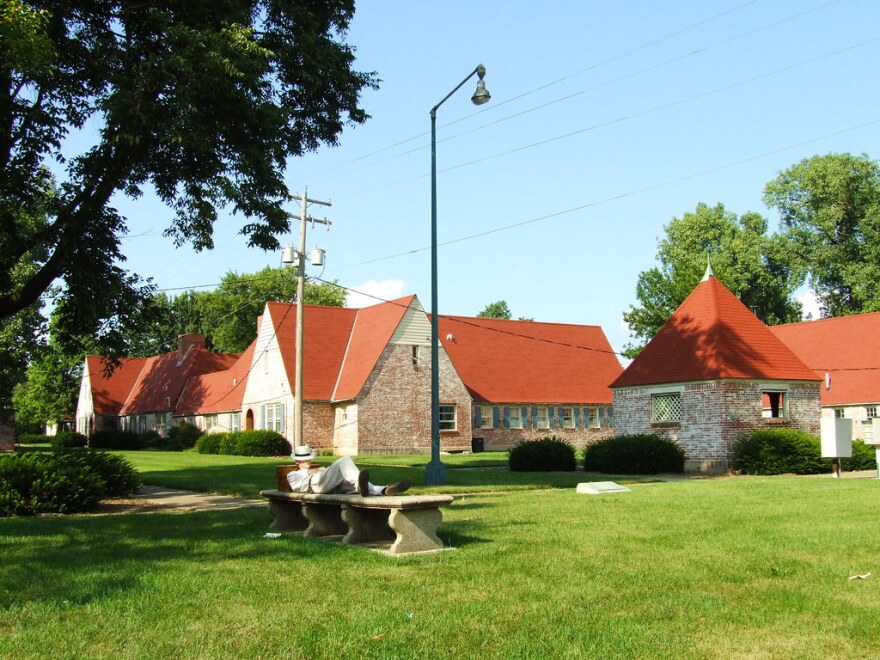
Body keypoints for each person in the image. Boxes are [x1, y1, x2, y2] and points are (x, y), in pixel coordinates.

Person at [286, 444, 412, 496]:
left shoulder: (317, 470)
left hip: (333, 488)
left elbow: (322, 473)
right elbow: (299, 485)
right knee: (345, 460)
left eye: (309, 459)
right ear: (297, 461)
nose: (307, 461)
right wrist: (319, 470)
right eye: (304, 460)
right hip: (314, 486)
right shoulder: (292, 474)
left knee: (351, 481)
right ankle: (360, 485)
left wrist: (321, 470)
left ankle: (384, 490)